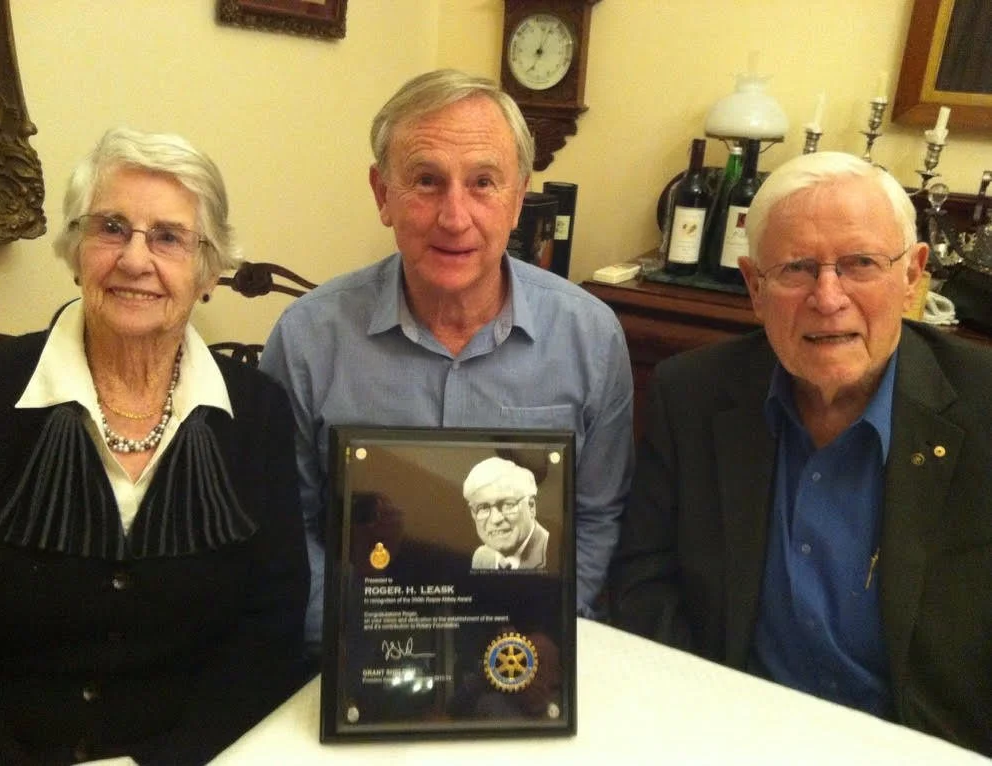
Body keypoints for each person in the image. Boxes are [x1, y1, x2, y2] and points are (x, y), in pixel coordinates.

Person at [609, 151, 992, 756]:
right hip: (728, 733)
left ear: (913, 276)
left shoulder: (981, 408)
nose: (828, 297)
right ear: (754, 288)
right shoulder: (693, 395)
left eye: (861, 264)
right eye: (796, 269)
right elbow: (644, 581)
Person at [0, 128, 310, 765]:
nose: (134, 259)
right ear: (75, 251)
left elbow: (270, 627)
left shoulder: (256, 413)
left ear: (207, 272)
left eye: (169, 238)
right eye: (112, 228)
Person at [260, 69, 633, 654]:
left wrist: (554, 633)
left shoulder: (590, 337)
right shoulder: (307, 340)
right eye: (427, 181)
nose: (454, 217)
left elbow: (596, 517)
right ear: (383, 195)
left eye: (483, 182)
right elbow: (289, 525)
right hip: (359, 654)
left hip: (527, 654)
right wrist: (342, 648)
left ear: (518, 197)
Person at [462, 456, 549, 570]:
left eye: (508, 504)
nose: (495, 519)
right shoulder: (482, 557)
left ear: (531, 506)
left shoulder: (553, 551)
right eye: (483, 507)